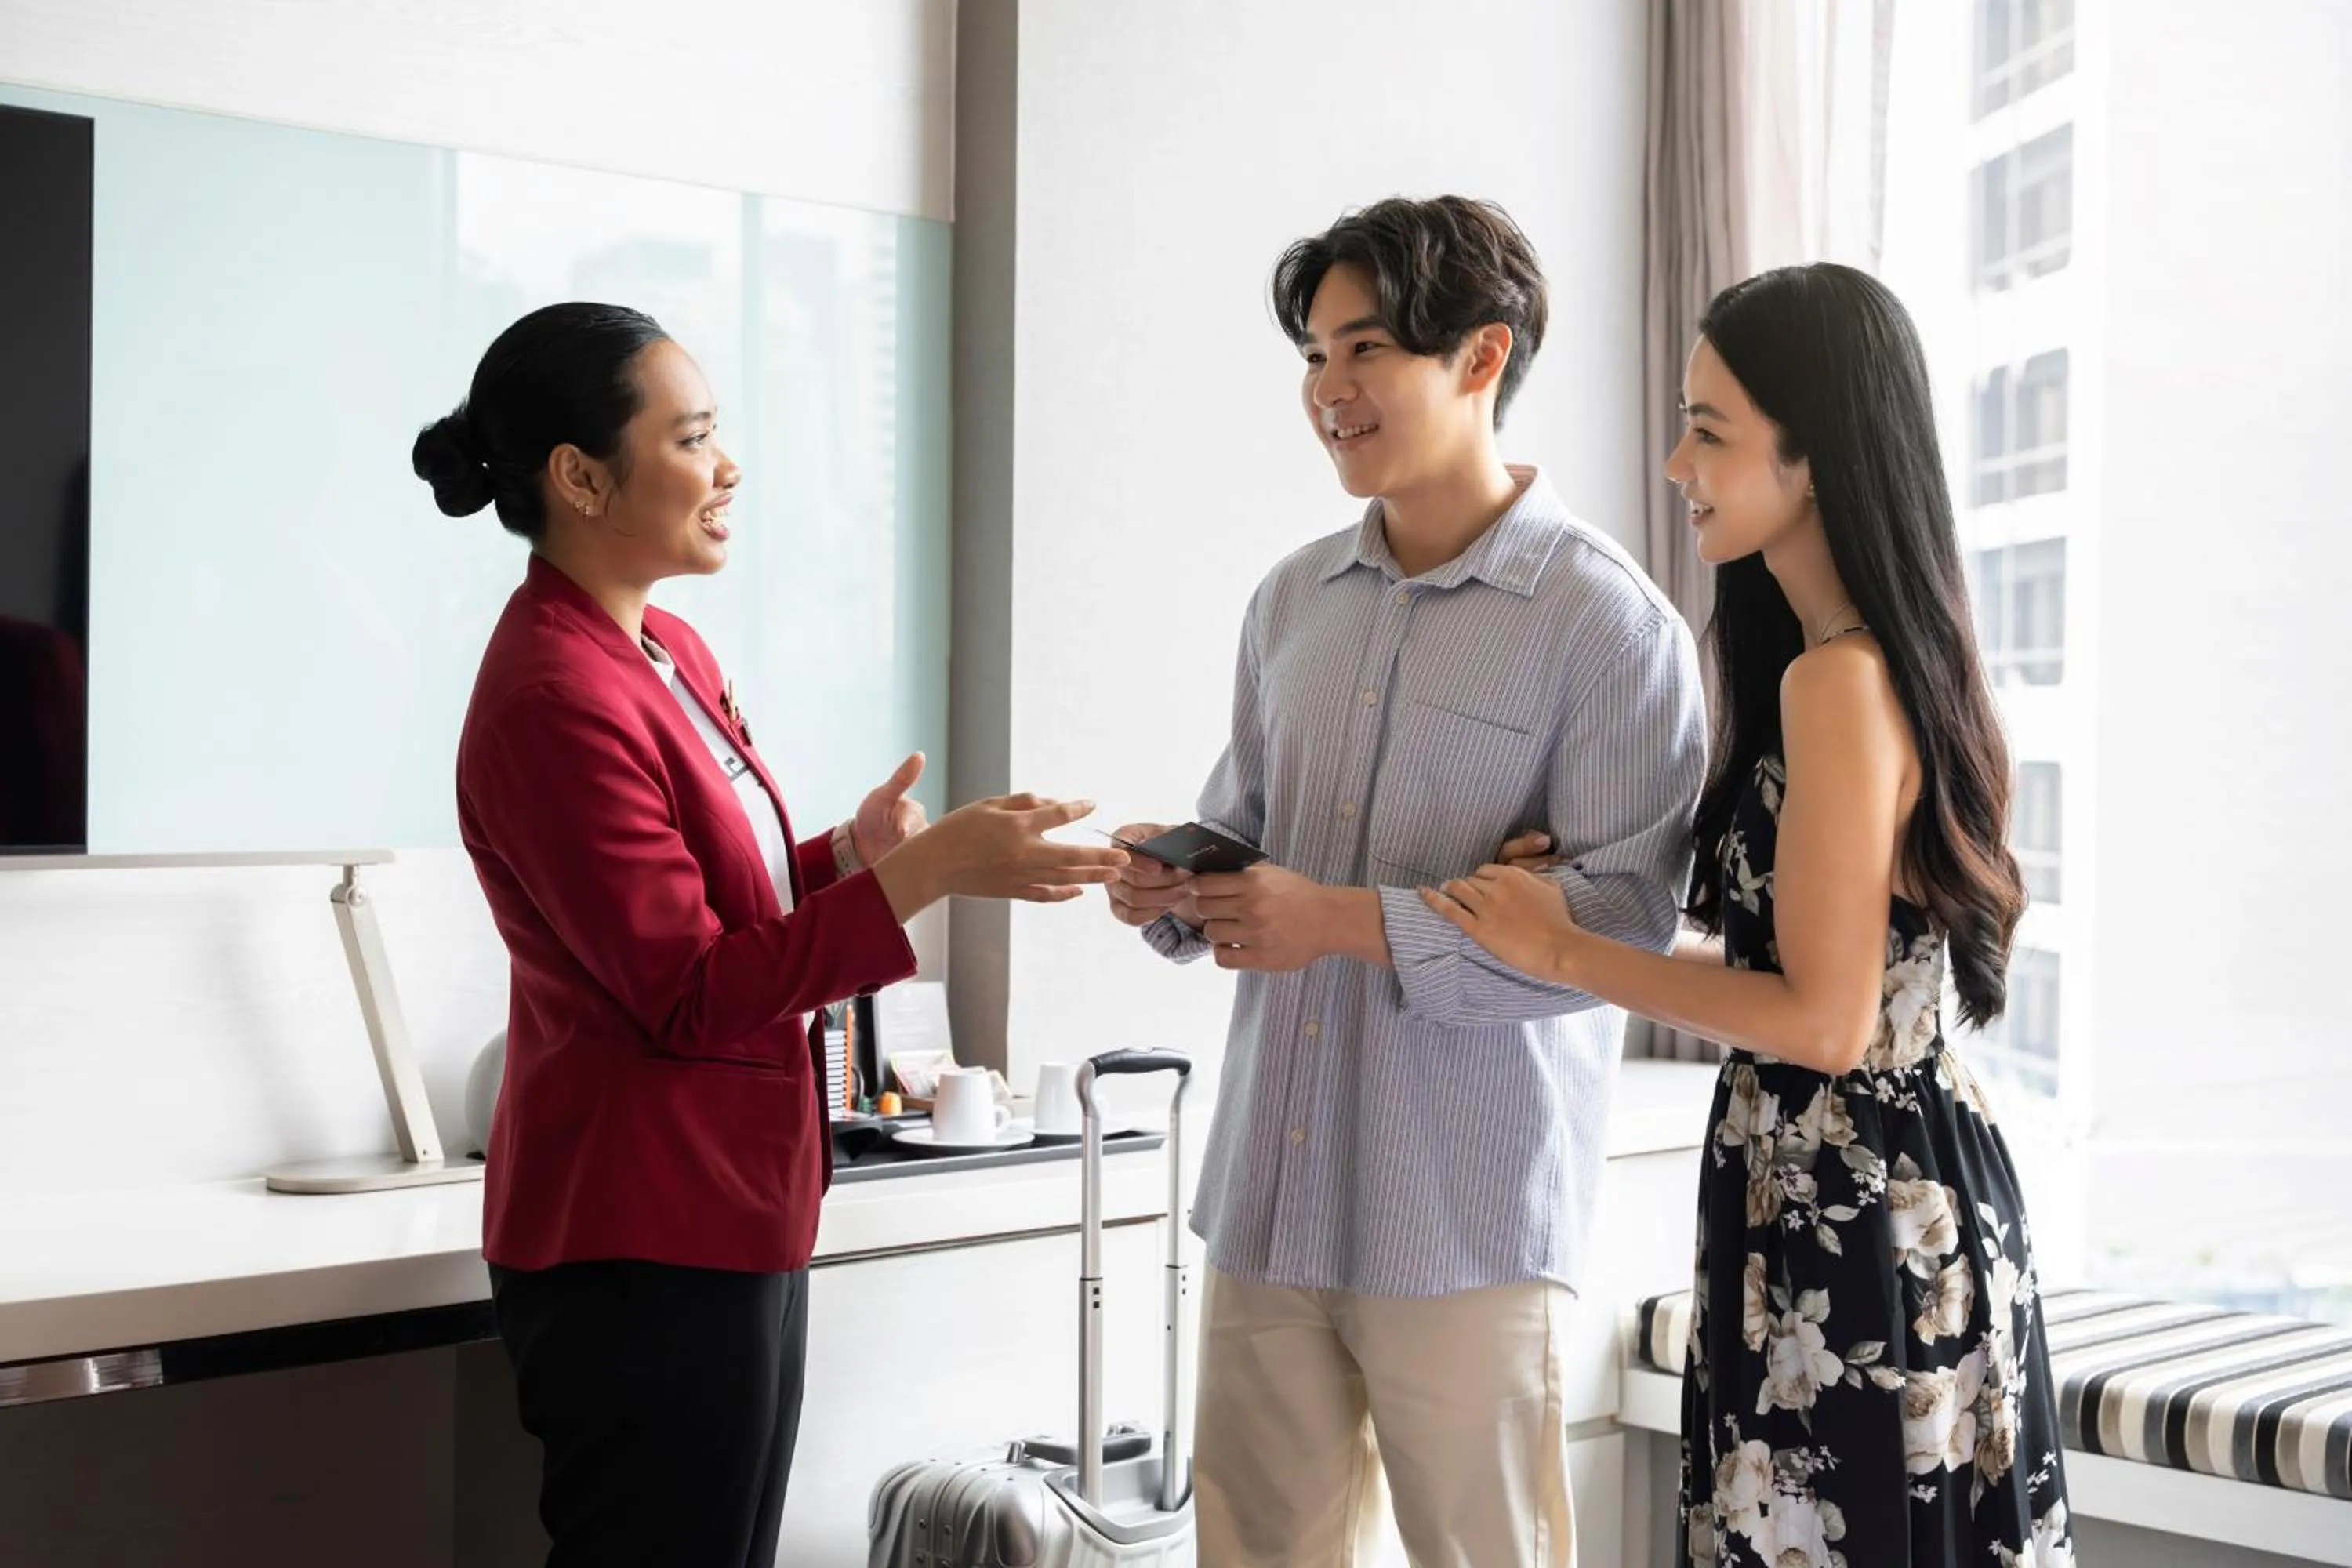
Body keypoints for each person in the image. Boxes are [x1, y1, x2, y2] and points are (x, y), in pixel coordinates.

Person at [413, 301, 1127, 1568]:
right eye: (692, 437)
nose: (727, 466)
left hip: (730, 1206)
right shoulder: (551, 699)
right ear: (580, 478)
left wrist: (857, 858)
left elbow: (713, 902)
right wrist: (929, 879)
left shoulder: (663, 648)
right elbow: (686, 989)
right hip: (636, 1233)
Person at [1424, 263, 2076, 1568]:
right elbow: (1827, 972)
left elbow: (1822, 1022)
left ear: (1817, 453)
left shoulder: (1838, 681)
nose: (1678, 461)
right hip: (1868, 1184)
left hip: (1850, 1206)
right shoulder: (1863, 658)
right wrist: (1581, 924)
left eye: (1710, 430)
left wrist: (1565, 951)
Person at [1105, 197, 1708, 1566]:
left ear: (1482, 357)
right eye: (1314, 356)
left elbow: (1620, 928)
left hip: (1467, 1212)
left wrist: (1342, 918)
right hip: (1272, 1183)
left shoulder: (1608, 627)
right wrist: (1180, 893)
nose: (1328, 391)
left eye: (1362, 349)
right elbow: (1248, 835)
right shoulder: (1291, 601)